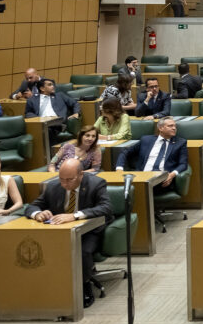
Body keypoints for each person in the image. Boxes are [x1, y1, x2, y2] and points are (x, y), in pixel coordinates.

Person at [25, 159, 112, 307]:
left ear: (81, 174)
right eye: (61, 179)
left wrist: (75, 215)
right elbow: (32, 206)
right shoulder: (53, 186)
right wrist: (38, 214)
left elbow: (106, 208)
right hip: (60, 231)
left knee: (82, 251)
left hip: (89, 230)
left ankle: (85, 287)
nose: (65, 184)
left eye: (69, 179)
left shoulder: (96, 183)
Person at [116, 117, 188, 190]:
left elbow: (183, 164)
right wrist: (119, 169)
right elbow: (125, 152)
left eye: (175, 126)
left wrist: (172, 175)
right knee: (124, 186)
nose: (174, 128)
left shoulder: (180, 143)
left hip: (162, 178)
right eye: (170, 126)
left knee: (138, 189)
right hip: (141, 175)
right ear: (161, 128)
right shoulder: (146, 140)